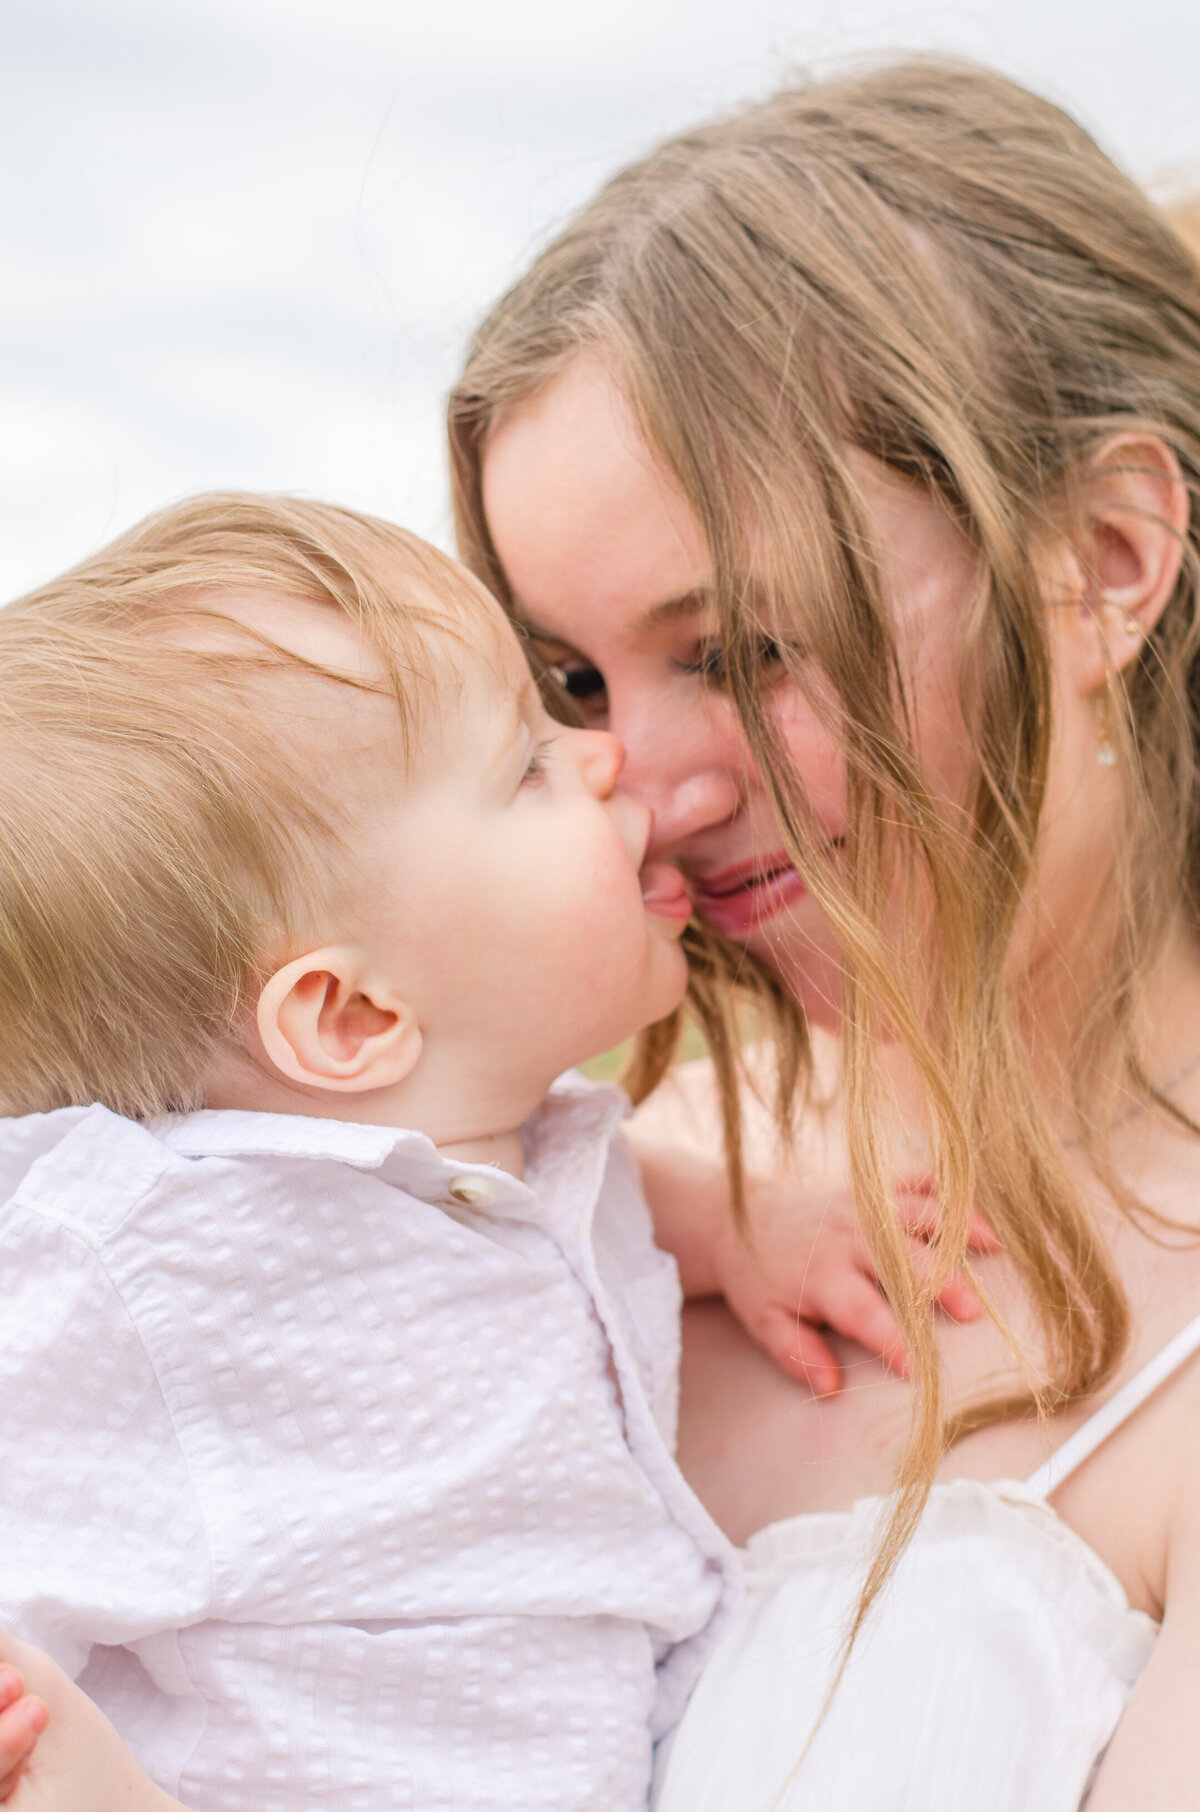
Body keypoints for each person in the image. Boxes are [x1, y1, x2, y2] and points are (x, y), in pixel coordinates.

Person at [447, 55, 1200, 1810]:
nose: (642, 782)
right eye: (573, 677)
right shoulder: (572, 1189)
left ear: (1103, 558)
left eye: (738, 650)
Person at [0, 490, 975, 1810]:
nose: (603, 758)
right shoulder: (148, 1259)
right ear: (351, 1016)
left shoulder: (528, 1137)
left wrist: (735, 1226)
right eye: (523, 764)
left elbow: (565, 1190)